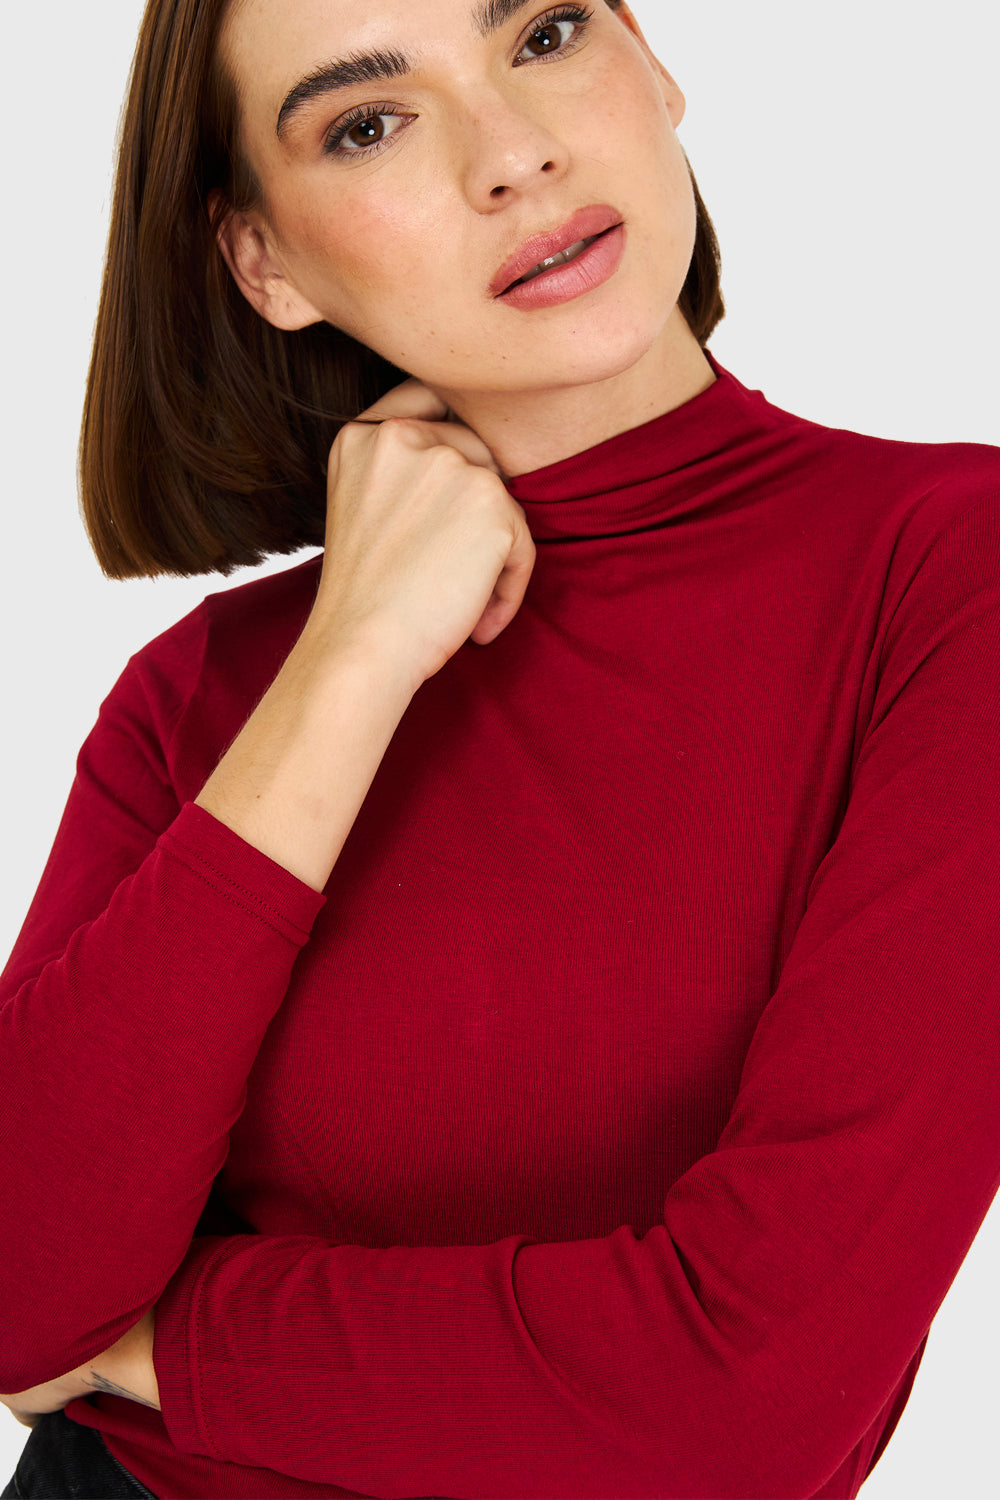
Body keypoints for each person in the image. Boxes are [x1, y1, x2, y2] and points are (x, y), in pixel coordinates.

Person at [1, 0, 998, 1496]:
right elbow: (14, 1278)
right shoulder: (202, 696)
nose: (513, 154)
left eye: (542, 34)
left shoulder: (950, 576)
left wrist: (147, 1345)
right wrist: (353, 657)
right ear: (263, 263)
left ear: (651, 59)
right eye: (367, 123)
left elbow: (745, 1405)